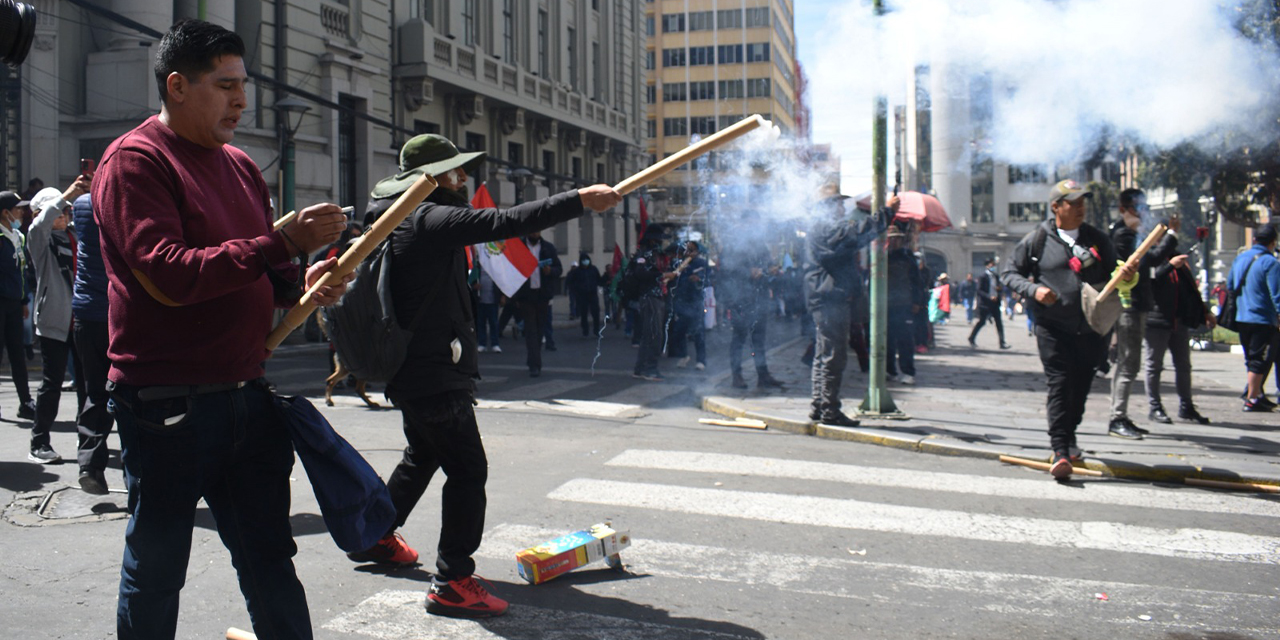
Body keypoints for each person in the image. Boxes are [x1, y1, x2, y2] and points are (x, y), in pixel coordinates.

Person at [92, 20, 351, 639]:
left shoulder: (240, 167)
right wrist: (282, 241)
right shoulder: (137, 161)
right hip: (167, 407)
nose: (242, 101)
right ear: (177, 86)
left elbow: (268, 275)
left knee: (270, 558)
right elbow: (171, 276)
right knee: (157, 569)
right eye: (226, 85)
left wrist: (306, 283)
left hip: (247, 395)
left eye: (244, 86)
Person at [349, 132, 621, 617]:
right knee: (468, 469)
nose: (463, 177)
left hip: (409, 365)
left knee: (423, 454)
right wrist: (580, 199)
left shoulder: (391, 218)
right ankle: (452, 579)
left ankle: (374, 536)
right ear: (430, 178)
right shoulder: (429, 216)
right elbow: (505, 221)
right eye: (455, 170)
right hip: (434, 369)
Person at [1001, 180, 1134, 480]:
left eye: (1082, 202)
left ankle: (1069, 436)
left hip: (1091, 327)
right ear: (1056, 207)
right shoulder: (1037, 239)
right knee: (1060, 383)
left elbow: (1116, 274)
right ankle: (1060, 449)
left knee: (1081, 387)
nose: (1080, 208)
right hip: (1053, 327)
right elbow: (1009, 273)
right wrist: (1034, 290)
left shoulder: (1097, 238)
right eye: (1072, 203)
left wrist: (1126, 274)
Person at [806, 190, 896, 425]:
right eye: (837, 204)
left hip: (828, 297)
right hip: (830, 298)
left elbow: (855, 236)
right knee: (833, 356)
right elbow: (855, 234)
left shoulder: (824, 227)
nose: (841, 208)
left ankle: (820, 406)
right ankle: (829, 410)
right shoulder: (825, 228)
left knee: (824, 354)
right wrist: (887, 213)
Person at [24, 177, 92, 464]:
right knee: (51, 385)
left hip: (82, 319)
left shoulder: (76, 237)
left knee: (88, 384)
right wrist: (66, 195)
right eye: (59, 212)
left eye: (67, 212)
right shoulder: (39, 240)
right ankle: (39, 442)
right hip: (54, 320)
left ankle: (87, 438)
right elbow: (39, 226)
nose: (64, 217)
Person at [1107, 188, 1179, 438]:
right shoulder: (1123, 235)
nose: (1143, 213)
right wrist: (1170, 235)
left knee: (1129, 364)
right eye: (1138, 208)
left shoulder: (1131, 233)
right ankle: (1117, 417)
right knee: (1128, 364)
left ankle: (1120, 415)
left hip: (1136, 303)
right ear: (1124, 209)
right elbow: (1151, 259)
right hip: (1129, 304)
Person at [70, 192, 116, 493]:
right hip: (117, 313)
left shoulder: (81, 204)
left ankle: (90, 463)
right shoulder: (123, 202)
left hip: (85, 312)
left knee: (94, 391)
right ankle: (136, 480)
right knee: (130, 394)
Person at [1145, 247, 1214, 424]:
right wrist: (1169, 266)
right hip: (1156, 321)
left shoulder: (1178, 260)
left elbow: (1190, 288)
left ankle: (1186, 405)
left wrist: (1204, 311)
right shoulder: (1150, 256)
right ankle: (1155, 406)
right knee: (1154, 365)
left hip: (1179, 321)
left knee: (1183, 365)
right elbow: (1150, 279)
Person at [720, 213, 784, 390]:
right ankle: (737, 375)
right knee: (739, 338)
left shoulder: (759, 245)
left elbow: (768, 263)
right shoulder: (732, 244)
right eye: (751, 224)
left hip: (759, 297)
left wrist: (772, 268)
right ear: (743, 224)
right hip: (740, 298)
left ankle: (763, 375)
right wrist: (748, 272)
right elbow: (726, 269)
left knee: (759, 339)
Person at [1226, 222, 1280, 412]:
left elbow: (1230, 286)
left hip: (1242, 317)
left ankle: (1258, 394)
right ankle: (1251, 399)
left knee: (1252, 358)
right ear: (1273, 242)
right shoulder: (1270, 262)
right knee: (1260, 360)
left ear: (1255, 239)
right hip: (1262, 319)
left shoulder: (1240, 258)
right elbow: (1277, 294)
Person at [0, 191, 35, 421]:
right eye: (18, 208)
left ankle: (25, 401)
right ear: (5, 212)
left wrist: (23, 300)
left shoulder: (18, 237)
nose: (21, 213)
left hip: (14, 303)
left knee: (17, 354)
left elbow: (21, 272)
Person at [511, 230, 561, 376]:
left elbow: (559, 269)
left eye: (537, 231)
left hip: (542, 295)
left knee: (539, 331)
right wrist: (514, 297)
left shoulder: (548, 248)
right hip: (526, 295)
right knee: (530, 331)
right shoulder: (519, 247)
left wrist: (550, 271)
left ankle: (533, 359)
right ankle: (535, 365)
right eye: (532, 230)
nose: (535, 233)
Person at [624, 226, 670, 381]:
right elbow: (640, 273)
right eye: (659, 239)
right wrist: (661, 275)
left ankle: (641, 368)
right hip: (650, 297)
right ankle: (650, 369)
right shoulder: (645, 254)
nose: (660, 242)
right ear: (652, 239)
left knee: (648, 335)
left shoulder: (653, 254)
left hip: (654, 297)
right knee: (654, 334)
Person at [885, 226, 926, 382]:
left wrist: (916, 301)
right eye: (891, 238)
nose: (893, 241)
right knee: (887, 340)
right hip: (886, 304)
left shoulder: (907, 258)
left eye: (896, 238)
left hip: (904, 304)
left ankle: (908, 371)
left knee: (905, 340)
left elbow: (917, 282)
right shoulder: (881, 257)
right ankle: (890, 370)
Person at [667, 240, 709, 370]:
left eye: (692, 250)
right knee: (679, 330)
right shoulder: (678, 263)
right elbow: (672, 281)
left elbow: (707, 280)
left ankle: (701, 360)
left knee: (698, 332)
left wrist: (698, 279)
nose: (689, 252)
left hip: (696, 301)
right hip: (681, 301)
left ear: (697, 252)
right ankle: (683, 355)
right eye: (687, 250)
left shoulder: (701, 263)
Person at [968, 257, 1010, 349]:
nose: (993, 266)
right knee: (982, 322)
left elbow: (999, 288)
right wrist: (989, 296)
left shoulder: (996, 276)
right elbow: (979, 290)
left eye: (994, 264)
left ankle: (1002, 342)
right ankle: (971, 338)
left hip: (995, 303)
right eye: (991, 264)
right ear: (987, 266)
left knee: (998, 322)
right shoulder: (982, 277)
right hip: (985, 304)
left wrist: (999, 290)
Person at [569, 251, 602, 337]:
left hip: (593, 294)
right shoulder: (577, 271)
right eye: (583, 260)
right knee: (584, 313)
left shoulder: (593, 269)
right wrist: (577, 290)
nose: (585, 262)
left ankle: (596, 329)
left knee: (596, 313)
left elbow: (599, 279)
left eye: (586, 260)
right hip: (582, 295)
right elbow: (572, 282)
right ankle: (585, 329)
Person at [473, 260, 501, 353]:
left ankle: (495, 344)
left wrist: (502, 297)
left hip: (492, 300)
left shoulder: (495, 268)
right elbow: (472, 280)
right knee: (481, 323)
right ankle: (482, 343)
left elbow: (500, 282)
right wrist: (474, 286)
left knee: (494, 323)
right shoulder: (477, 269)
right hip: (481, 300)